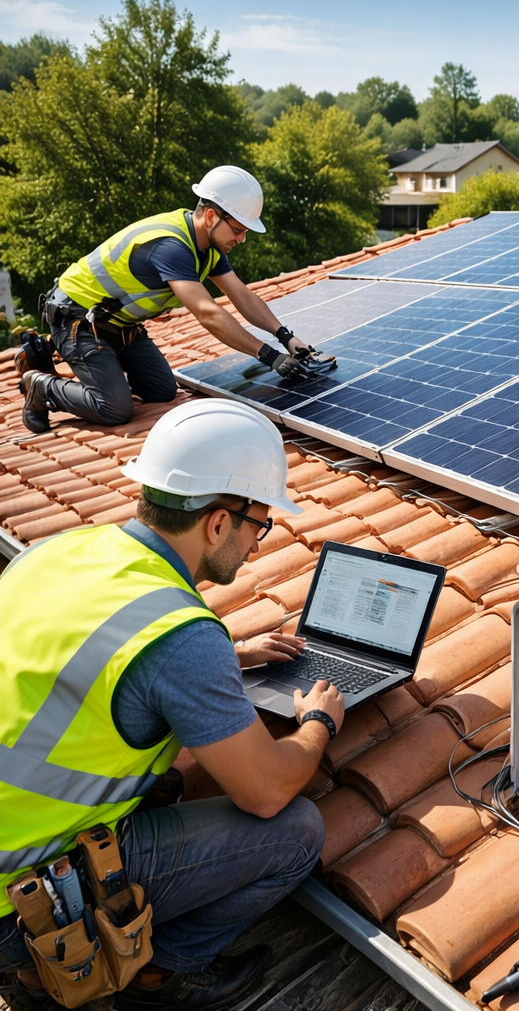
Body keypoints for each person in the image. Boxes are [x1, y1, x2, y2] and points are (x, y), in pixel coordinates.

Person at [0, 399, 346, 1011]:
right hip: (22, 890)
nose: (257, 546)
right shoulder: (179, 635)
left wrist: (231, 655)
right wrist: (318, 724)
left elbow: (82, 663)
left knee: (169, 782)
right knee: (296, 833)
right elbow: (265, 792)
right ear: (218, 523)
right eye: (258, 526)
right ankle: (162, 976)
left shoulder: (61, 551)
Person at [19, 166, 313, 435]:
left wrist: (285, 337)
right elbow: (207, 312)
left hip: (118, 325)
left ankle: (71, 357)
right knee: (115, 408)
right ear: (211, 216)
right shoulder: (170, 247)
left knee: (162, 390)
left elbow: (243, 296)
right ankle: (42, 387)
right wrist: (268, 356)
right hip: (77, 319)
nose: (242, 239)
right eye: (238, 230)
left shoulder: (208, 247)